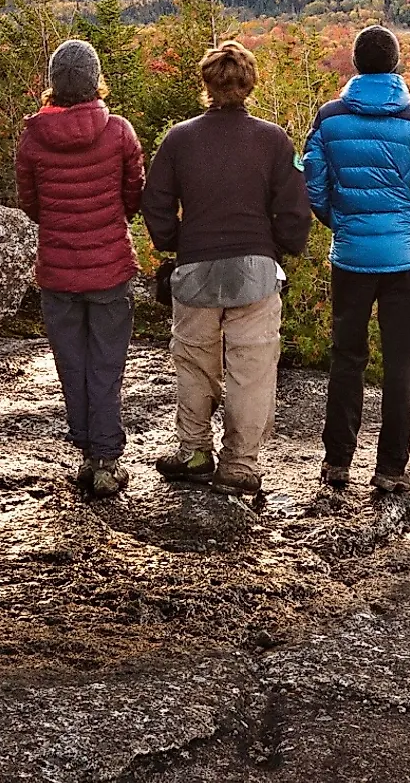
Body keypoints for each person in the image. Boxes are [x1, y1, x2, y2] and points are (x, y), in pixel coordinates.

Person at [141, 40, 311, 497]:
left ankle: (195, 450)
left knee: (194, 361)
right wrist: (278, 249)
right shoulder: (273, 139)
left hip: (195, 267)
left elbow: (154, 200)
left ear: (207, 84)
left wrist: (175, 242)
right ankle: (240, 463)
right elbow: (295, 210)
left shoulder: (180, 138)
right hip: (257, 270)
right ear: (250, 85)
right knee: (251, 369)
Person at [304, 24, 410, 496]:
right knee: (400, 363)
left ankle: (337, 463)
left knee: (346, 357)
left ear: (356, 64)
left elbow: (314, 182)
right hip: (405, 259)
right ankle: (391, 468)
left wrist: (341, 222)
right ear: (394, 65)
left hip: (350, 256)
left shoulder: (329, 119)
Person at [17, 37, 145, 498]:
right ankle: (106, 459)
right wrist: (108, 223)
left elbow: (32, 203)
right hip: (110, 267)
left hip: (57, 269)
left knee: (71, 364)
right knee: (106, 365)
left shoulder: (33, 137)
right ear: (95, 82)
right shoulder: (118, 132)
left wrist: (62, 227)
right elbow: (135, 195)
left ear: (54, 84)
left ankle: (88, 453)